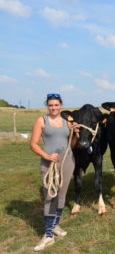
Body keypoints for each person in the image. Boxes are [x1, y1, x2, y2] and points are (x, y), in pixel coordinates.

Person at [30, 93, 79, 251]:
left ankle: (55, 225)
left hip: (67, 161)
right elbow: (33, 144)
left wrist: (76, 133)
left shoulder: (66, 122)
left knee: (62, 194)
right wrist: (46, 155)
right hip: (49, 162)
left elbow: (71, 144)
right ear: (47, 106)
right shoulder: (42, 120)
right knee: (50, 196)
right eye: (51, 105)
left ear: (61, 105)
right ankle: (48, 234)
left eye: (56, 105)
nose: (53, 108)